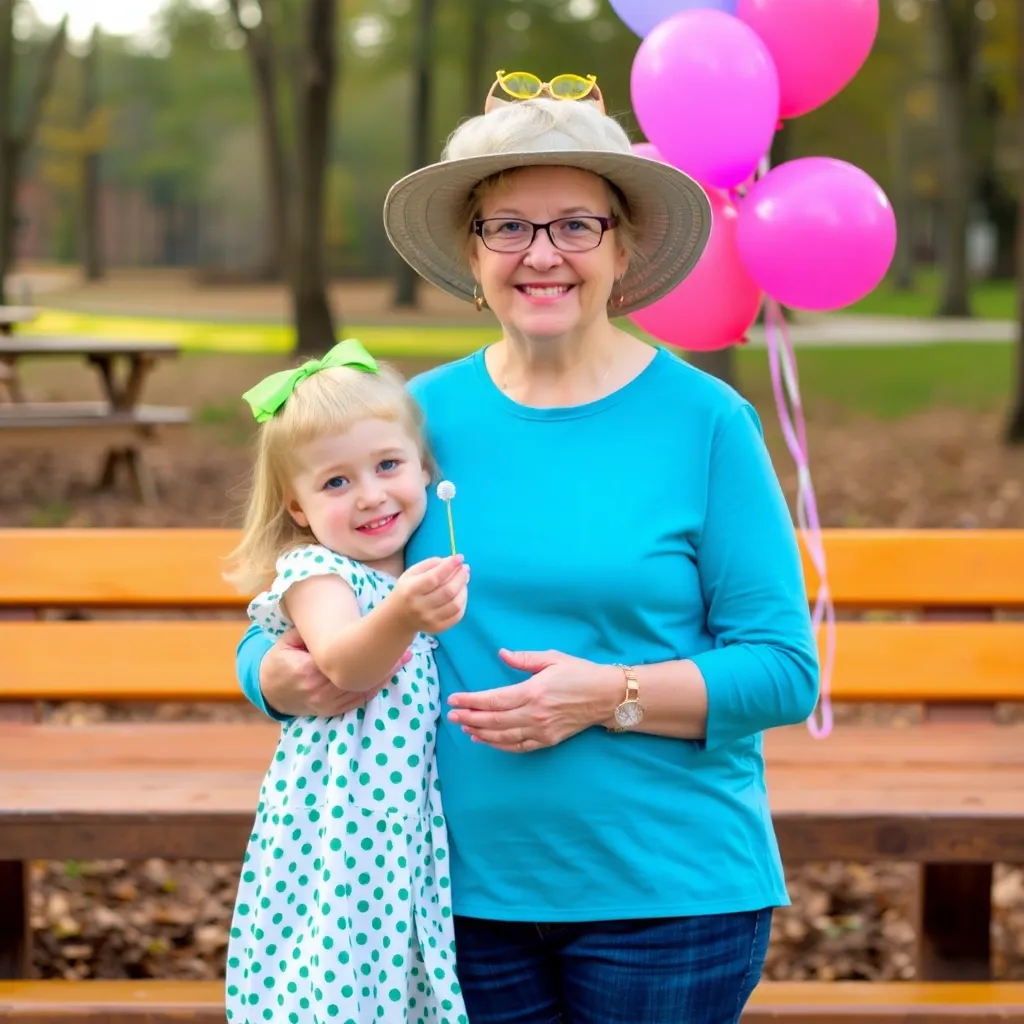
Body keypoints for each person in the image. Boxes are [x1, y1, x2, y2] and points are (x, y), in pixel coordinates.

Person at [236, 78, 820, 1024]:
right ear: (474, 255)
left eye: (575, 226)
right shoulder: (410, 419)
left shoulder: (706, 422)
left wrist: (607, 695)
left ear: (621, 250)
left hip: (668, 896)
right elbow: (307, 580)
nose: (540, 255)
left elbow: (783, 673)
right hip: (442, 897)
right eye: (508, 227)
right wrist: (269, 674)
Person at [222, 338, 470, 1024]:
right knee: (338, 978)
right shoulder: (317, 574)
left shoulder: (410, 561)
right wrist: (403, 615)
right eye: (335, 482)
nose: (370, 496)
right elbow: (343, 665)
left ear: (423, 467)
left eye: (387, 465)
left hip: (404, 827)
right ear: (297, 508)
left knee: (403, 977)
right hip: (340, 825)